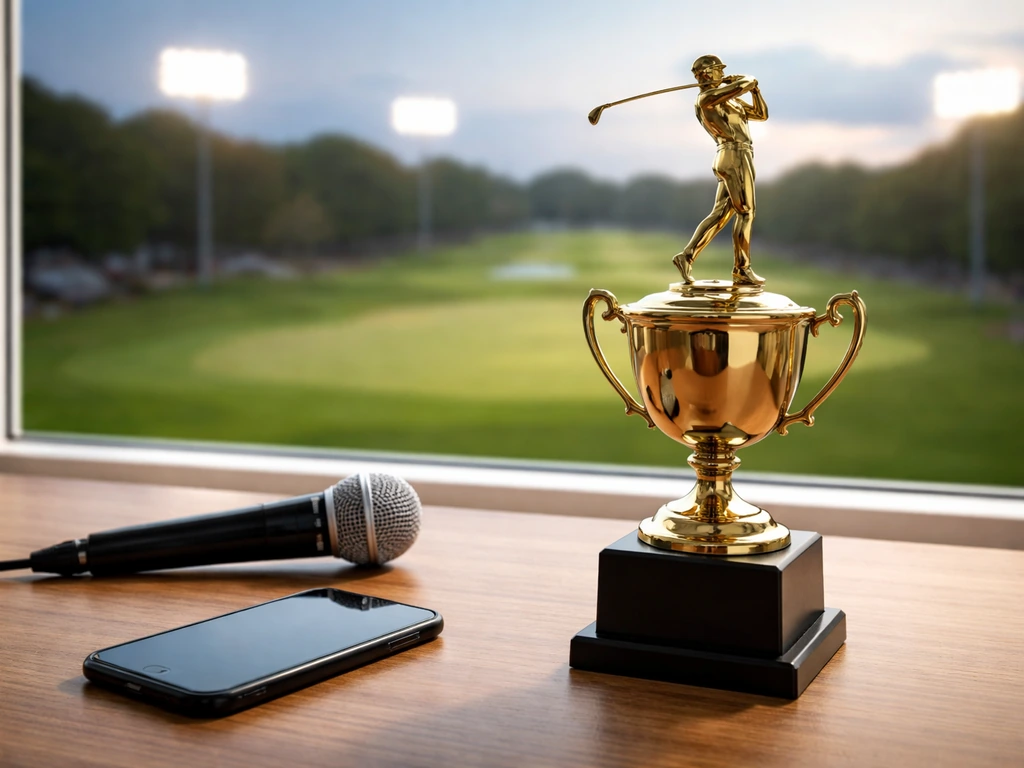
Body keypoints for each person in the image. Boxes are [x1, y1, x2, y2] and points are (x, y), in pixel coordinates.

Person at [673, 54, 768, 286]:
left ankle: (686, 256)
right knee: (746, 212)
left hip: (741, 154)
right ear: (707, 74)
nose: (723, 74)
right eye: (719, 70)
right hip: (733, 155)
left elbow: (761, 115)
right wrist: (750, 80)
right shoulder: (707, 98)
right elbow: (743, 84)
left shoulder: (731, 99)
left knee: (720, 215)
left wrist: (755, 91)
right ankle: (742, 269)